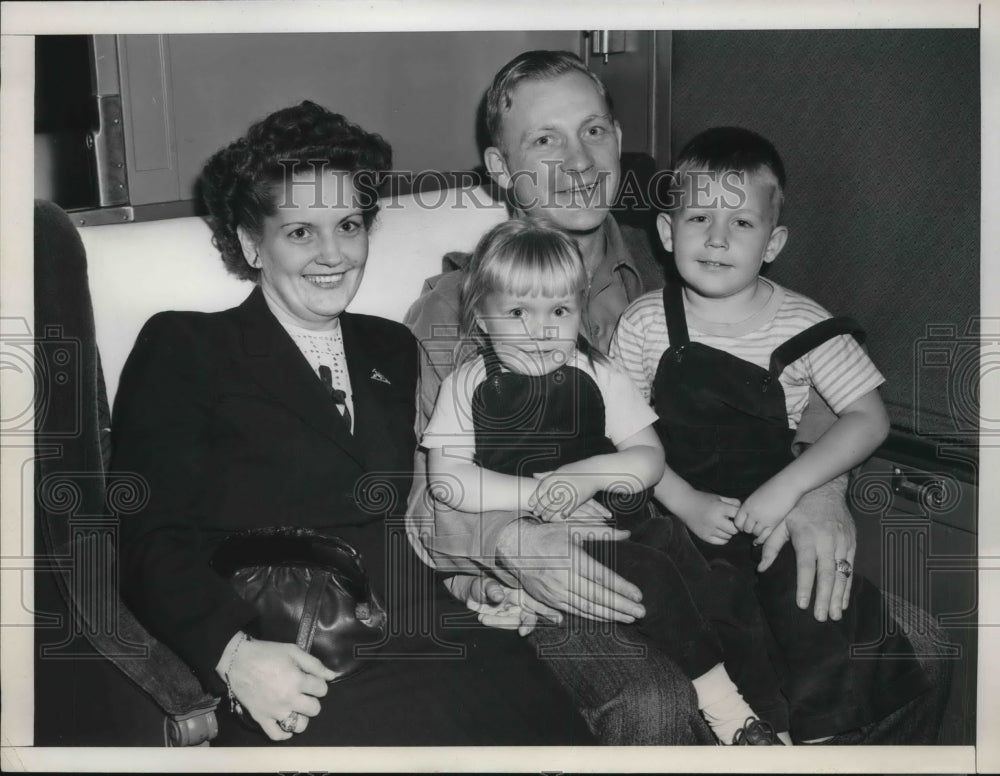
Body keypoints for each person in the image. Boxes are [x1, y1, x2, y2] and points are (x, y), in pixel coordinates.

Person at [405, 49, 897, 744]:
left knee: (910, 649)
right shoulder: (457, 310)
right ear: (497, 168)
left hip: (699, 539)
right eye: (545, 140)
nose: (579, 162)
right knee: (658, 702)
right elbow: (426, 501)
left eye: (595, 131)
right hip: (559, 565)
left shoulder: (684, 255)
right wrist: (512, 539)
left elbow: (807, 380)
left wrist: (819, 490)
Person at [113, 101, 595, 746]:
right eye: (301, 232)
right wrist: (233, 657)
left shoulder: (390, 346)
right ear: (254, 243)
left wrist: (473, 582)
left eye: (348, 224)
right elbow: (148, 538)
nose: (333, 255)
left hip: (440, 630)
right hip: (300, 657)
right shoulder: (186, 345)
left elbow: (413, 512)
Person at [611, 126, 933, 742]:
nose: (716, 237)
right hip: (677, 509)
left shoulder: (806, 323)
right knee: (706, 607)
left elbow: (869, 419)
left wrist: (790, 491)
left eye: (742, 224)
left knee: (815, 608)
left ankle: (819, 737)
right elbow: (620, 432)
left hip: (774, 508)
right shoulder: (645, 322)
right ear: (665, 231)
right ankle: (760, 730)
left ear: (774, 242)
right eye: (699, 216)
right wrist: (683, 499)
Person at [424, 218, 793, 744]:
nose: (541, 331)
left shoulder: (597, 372)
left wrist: (586, 475)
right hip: (550, 542)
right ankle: (729, 713)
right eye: (517, 313)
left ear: (578, 310)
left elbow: (648, 459)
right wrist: (543, 492)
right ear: (481, 318)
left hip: (625, 525)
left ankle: (776, 720)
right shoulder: (469, 384)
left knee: (723, 590)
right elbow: (448, 482)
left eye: (558, 311)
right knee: (654, 578)